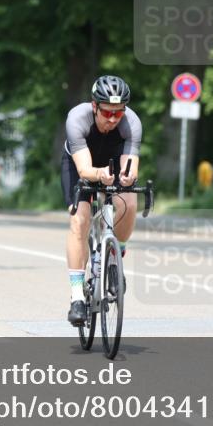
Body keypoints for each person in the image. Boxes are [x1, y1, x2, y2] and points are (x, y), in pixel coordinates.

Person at [61, 75, 142, 326]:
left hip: (112, 163)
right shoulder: (77, 118)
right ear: (94, 106)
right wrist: (99, 176)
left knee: (128, 202)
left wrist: (127, 178)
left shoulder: (132, 123)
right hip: (80, 165)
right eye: (107, 112)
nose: (112, 119)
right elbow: (85, 170)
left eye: (118, 113)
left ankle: (116, 257)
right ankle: (76, 297)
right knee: (80, 220)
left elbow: (130, 167)